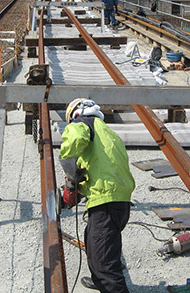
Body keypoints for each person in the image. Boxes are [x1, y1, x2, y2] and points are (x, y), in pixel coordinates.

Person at [60, 98, 135, 292]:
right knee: (96, 244)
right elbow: (101, 167)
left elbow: (74, 141)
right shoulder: (107, 131)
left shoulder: (82, 123)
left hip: (106, 201)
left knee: (104, 263)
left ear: (76, 114)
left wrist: (69, 172)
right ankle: (99, 281)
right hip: (120, 200)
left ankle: (106, 282)